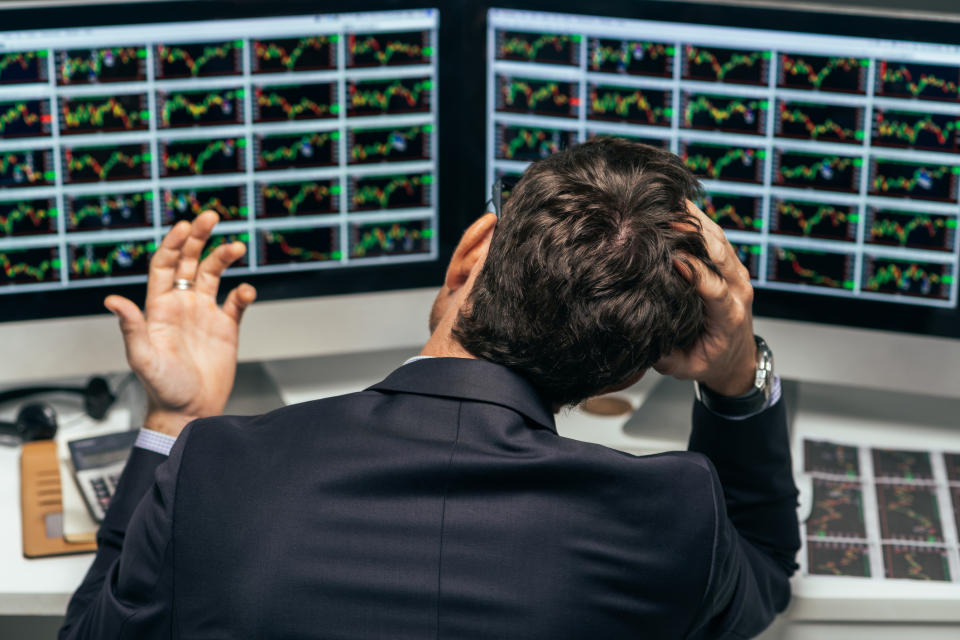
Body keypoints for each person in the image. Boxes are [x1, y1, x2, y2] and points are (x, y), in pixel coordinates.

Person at [60, 138, 799, 639]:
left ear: (470, 253)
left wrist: (176, 416)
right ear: (628, 373)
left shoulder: (215, 469)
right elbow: (764, 573)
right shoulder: (670, 518)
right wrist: (737, 371)